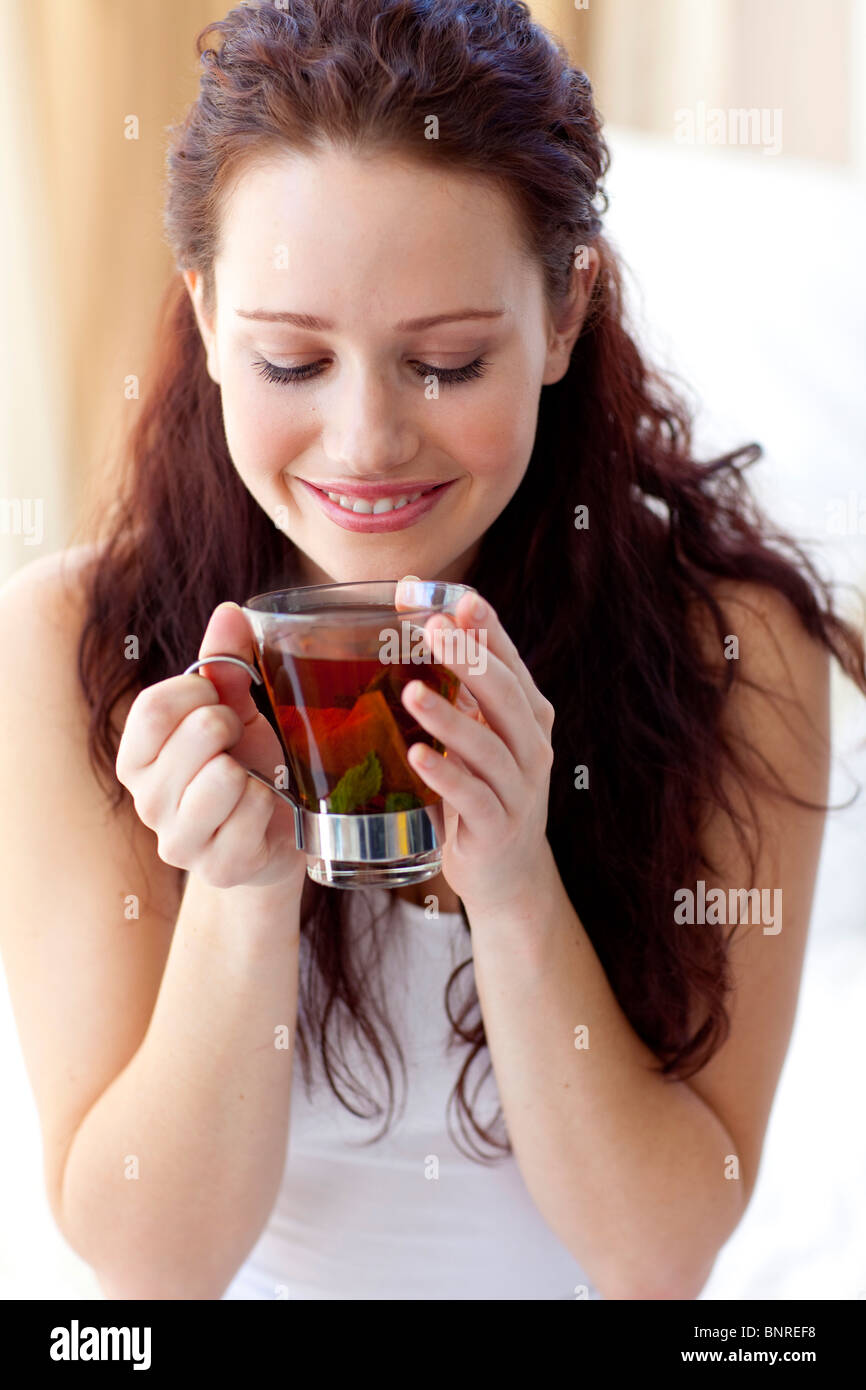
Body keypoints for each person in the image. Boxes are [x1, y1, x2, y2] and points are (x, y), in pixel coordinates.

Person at [0, 0, 863, 1302]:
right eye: (290, 358)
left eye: (447, 363)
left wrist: (514, 883)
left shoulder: (736, 651)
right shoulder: (69, 642)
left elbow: (655, 1261)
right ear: (208, 310)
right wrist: (241, 893)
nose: (362, 444)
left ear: (563, 311)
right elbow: (153, 1272)